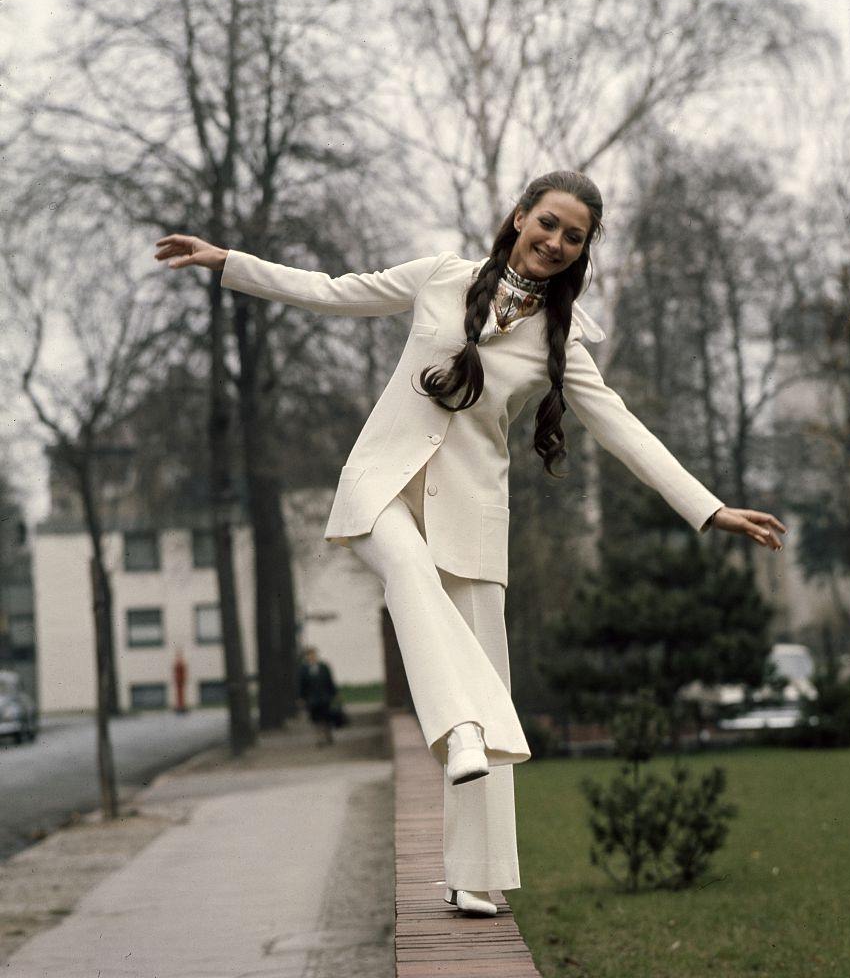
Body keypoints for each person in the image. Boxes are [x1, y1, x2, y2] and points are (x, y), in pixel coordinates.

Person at [154, 169, 786, 918]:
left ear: (583, 250)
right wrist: (229, 262)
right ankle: (460, 728)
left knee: (486, 665)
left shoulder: (562, 341)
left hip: (474, 520)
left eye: (573, 236)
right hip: (383, 485)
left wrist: (708, 509)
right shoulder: (440, 278)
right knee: (410, 579)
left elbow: (621, 429)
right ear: (520, 216)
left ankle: (475, 875)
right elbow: (331, 289)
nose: (554, 241)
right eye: (547, 222)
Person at [297, 645, 341, 746]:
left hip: (325, 697)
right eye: (309, 655)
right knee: (316, 719)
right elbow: (301, 685)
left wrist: (335, 693)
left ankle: (328, 734)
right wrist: (301, 698)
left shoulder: (324, 667)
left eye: (313, 654)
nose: (311, 657)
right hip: (312, 699)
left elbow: (330, 681)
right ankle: (319, 738)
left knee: (326, 718)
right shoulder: (303, 670)